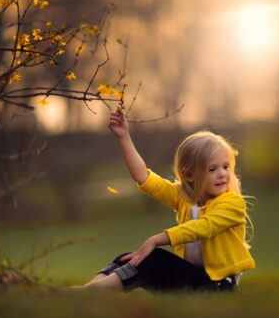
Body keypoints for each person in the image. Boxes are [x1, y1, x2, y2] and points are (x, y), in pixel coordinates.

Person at [76, 111, 255, 292]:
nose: (222, 174)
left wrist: (156, 240)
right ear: (189, 175)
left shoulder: (233, 203)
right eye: (212, 169)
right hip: (192, 277)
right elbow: (144, 178)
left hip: (217, 285)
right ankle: (87, 290)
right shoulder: (185, 198)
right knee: (128, 258)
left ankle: (89, 292)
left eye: (225, 166)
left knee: (153, 258)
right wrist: (124, 137)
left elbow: (204, 227)